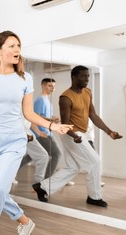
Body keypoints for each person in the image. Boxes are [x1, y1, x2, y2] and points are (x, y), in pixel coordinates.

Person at [0, 30, 72, 235]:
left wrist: (52, 126)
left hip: (13, 140)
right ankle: (25, 221)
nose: (17, 50)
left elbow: (28, 113)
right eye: (11, 46)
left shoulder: (25, 78)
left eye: (18, 46)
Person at [32, 65, 122, 207]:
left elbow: (92, 114)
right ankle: (94, 197)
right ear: (74, 77)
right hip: (70, 133)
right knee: (95, 162)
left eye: (87, 76)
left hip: (82, 134)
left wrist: (108, 131)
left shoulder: (87, 92)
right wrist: (74, 136)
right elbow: (65, 124)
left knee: (73, 167)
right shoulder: (65, 98)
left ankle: (42, 187)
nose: (86, 79)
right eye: (83, 76)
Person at [30, 78, 62, 179]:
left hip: (48, 132)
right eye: (50, 86)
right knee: (57, 154)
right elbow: (35, 117)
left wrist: (52, 119)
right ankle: (48, 180)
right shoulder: (40, 100)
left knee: (29, 157)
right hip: (42, 133)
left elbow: (45, 117)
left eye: (54, 86)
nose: (52, 88)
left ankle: (11, 174)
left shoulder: (47, 100)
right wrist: (39, 131)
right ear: (43, 85)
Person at [18, 119, 49, 184]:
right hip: (22, 131)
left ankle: (38, 184)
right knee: (42, 156)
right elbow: (30, 115)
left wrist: (38, 132)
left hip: (24, 131)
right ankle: (38, 184)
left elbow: (30, 117)